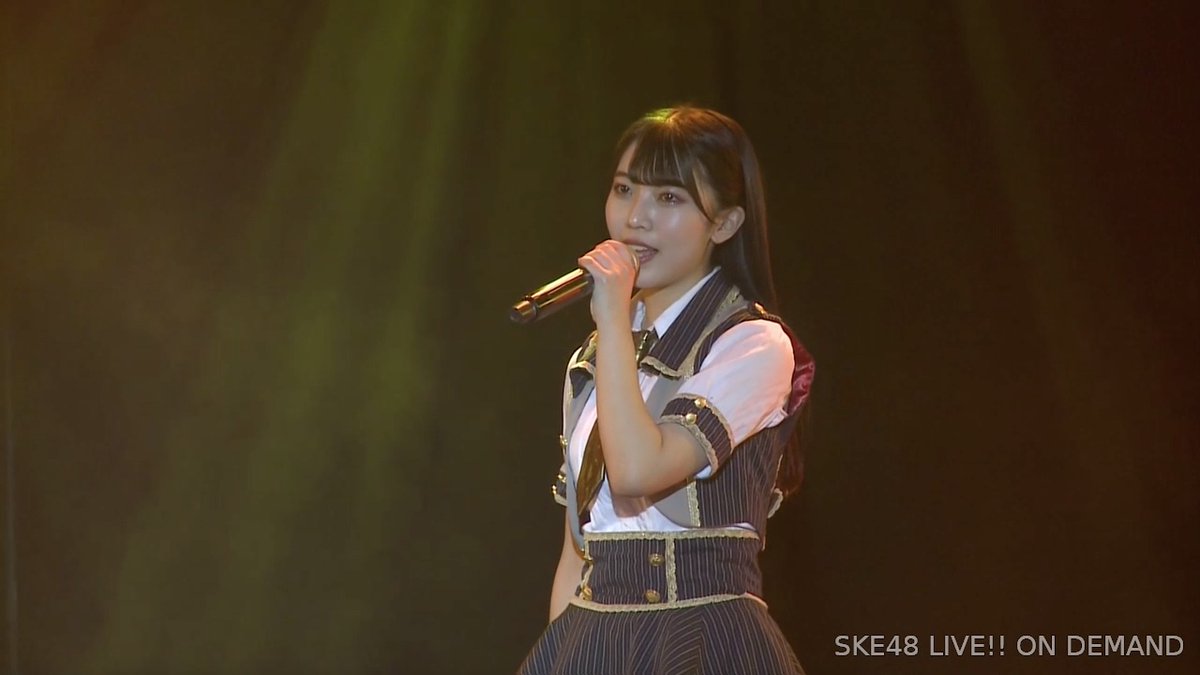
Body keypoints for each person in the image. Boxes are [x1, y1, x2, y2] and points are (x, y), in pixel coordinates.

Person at [519, 106, 815, 675]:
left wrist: (612, 319)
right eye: (624, 189)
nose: (636, 217)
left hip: (702, 636)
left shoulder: (752, 343)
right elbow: (577, 550)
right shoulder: (594, 355)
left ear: (724, 224)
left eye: (669, 198)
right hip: (590, 639)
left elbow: (638, 471)